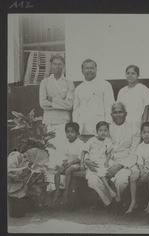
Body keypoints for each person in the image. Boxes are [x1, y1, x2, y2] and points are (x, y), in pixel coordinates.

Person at [84, 102, 140, 207]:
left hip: (124, 162)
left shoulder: (134, 130)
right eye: (115, 112)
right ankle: (110, 201)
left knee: (121, 181)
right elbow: (92, 144)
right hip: (105, 161)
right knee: (92, 180)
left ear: (125, 113)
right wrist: (86, 160)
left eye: (120, 112)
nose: (118, 115)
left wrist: (119, 166)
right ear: (111, 115)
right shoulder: (105, 129)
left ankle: (117, 201)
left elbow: (133, 153)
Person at [39, 54, 75, 191]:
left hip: (64, 123)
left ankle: (63, 186)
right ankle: (51, 187)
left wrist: (52, 100)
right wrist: (61, 101)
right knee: (51, 153)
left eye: (60, 64)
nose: (57, 66)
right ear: (51, 65)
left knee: (63, 153)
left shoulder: (69, 83)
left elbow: (69, 105)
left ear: (63, 66)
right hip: (50, 123)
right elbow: (42, 103)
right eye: (55, 64)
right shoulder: (45, 83)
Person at [125, 122, 149, 214]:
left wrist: (148, 172)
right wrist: (141, 171)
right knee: (133, 177)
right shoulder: (140, 146)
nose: (146, 135)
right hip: (143, 167)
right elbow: (140, 161)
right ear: (141, 134)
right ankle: (133, 201)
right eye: (144, 132)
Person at [73, 59, 115, 137]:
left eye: (92, 68)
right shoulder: (78, 88)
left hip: (99, 128)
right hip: (82, 129)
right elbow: (76, 110)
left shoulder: (105, 85)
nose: (89, 70)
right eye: (86, 68)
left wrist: (107, 128)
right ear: (82, 71)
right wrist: (76, 127)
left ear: (96, 69)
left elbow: (109, 107)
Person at [82, 121, 120, 203]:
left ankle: (111, 196)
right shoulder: (91, 140)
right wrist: (83, 163)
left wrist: (106, 160)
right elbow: (84, 152)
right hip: (93, 162)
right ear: (97, 131)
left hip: (103, 161)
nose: (103, 132)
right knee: (97, 175)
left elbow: (109, 152)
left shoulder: (108, 141)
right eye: (101, 130)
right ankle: (109, 192)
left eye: (105, 130)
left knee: (109, 169)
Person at [53, 122, 84, 204]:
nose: (70, 134)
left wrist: (69, 164)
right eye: (68, 132)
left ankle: (66, 193)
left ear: (77, 133)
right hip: (68, 163)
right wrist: (64, 163)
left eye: (72, 132)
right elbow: (64, 155)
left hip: (78, 164)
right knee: (57, 172)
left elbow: (80, 157)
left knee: (68, 170)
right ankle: (57, 191)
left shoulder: (80, 143)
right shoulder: (65, 143)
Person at [117, 65, 149, 130]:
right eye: (128, 73)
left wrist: (143, 127)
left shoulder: (144, 89)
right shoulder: (122, 91)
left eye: (133, 73)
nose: (130, 75)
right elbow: (118, 109)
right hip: (124, 125)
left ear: (138, 75)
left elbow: (147, 111)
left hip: (138, 125)